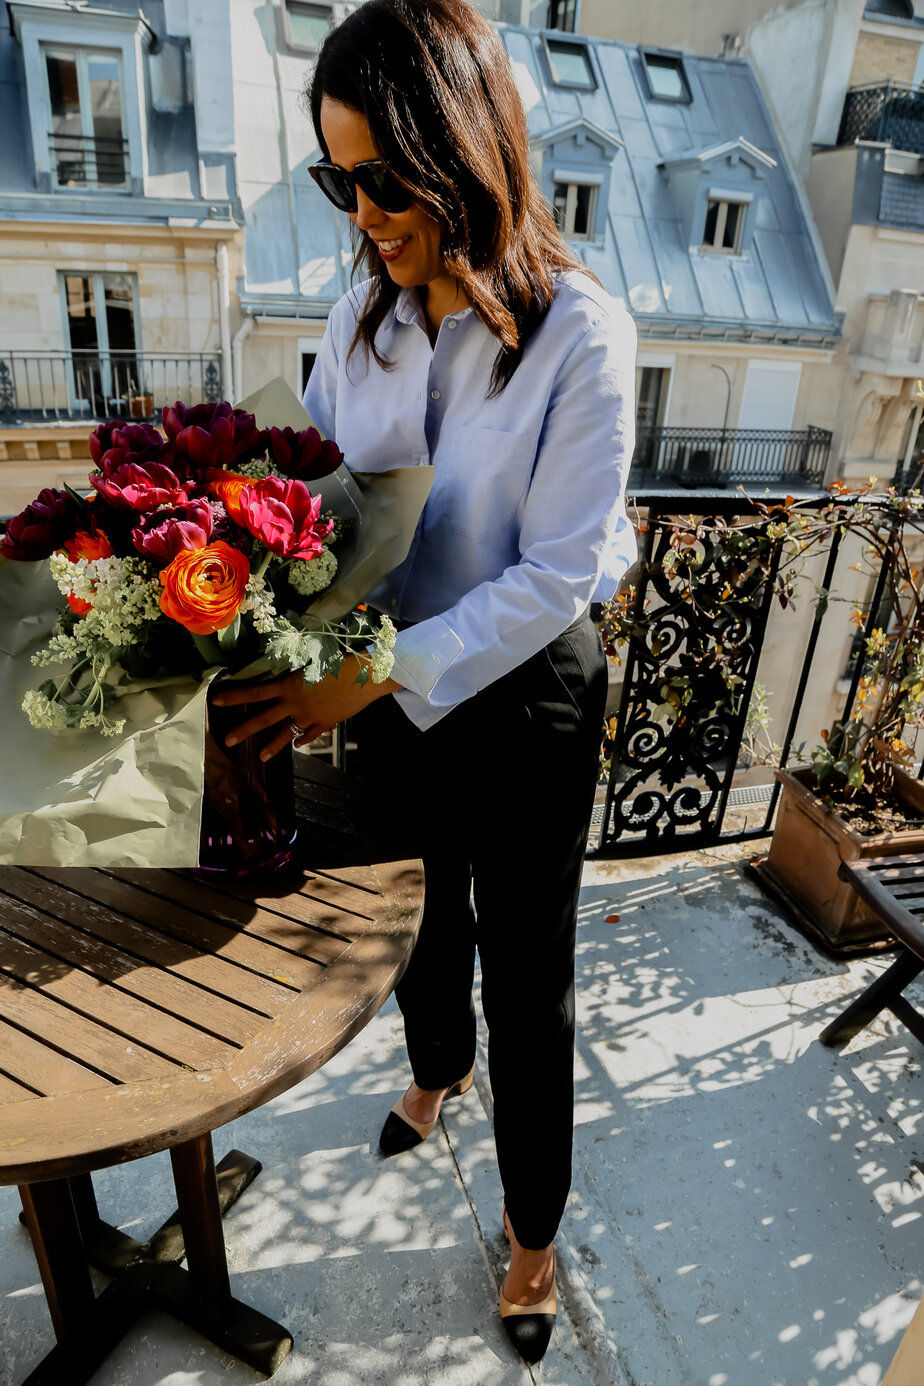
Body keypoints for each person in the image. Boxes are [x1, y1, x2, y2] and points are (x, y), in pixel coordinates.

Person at [214, 0, 636, 1363]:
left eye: (385, 181)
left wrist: (377, 666)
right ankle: (436, 1071)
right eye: (341, 181)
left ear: (463, 148)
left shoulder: (583, 334)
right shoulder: (360, 323)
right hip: (382, 692)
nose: (364, 212)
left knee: (532, 971)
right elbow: (332, 513)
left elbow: (560, 572)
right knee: (421, 923)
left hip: (529, 697)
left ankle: (530, 1228)